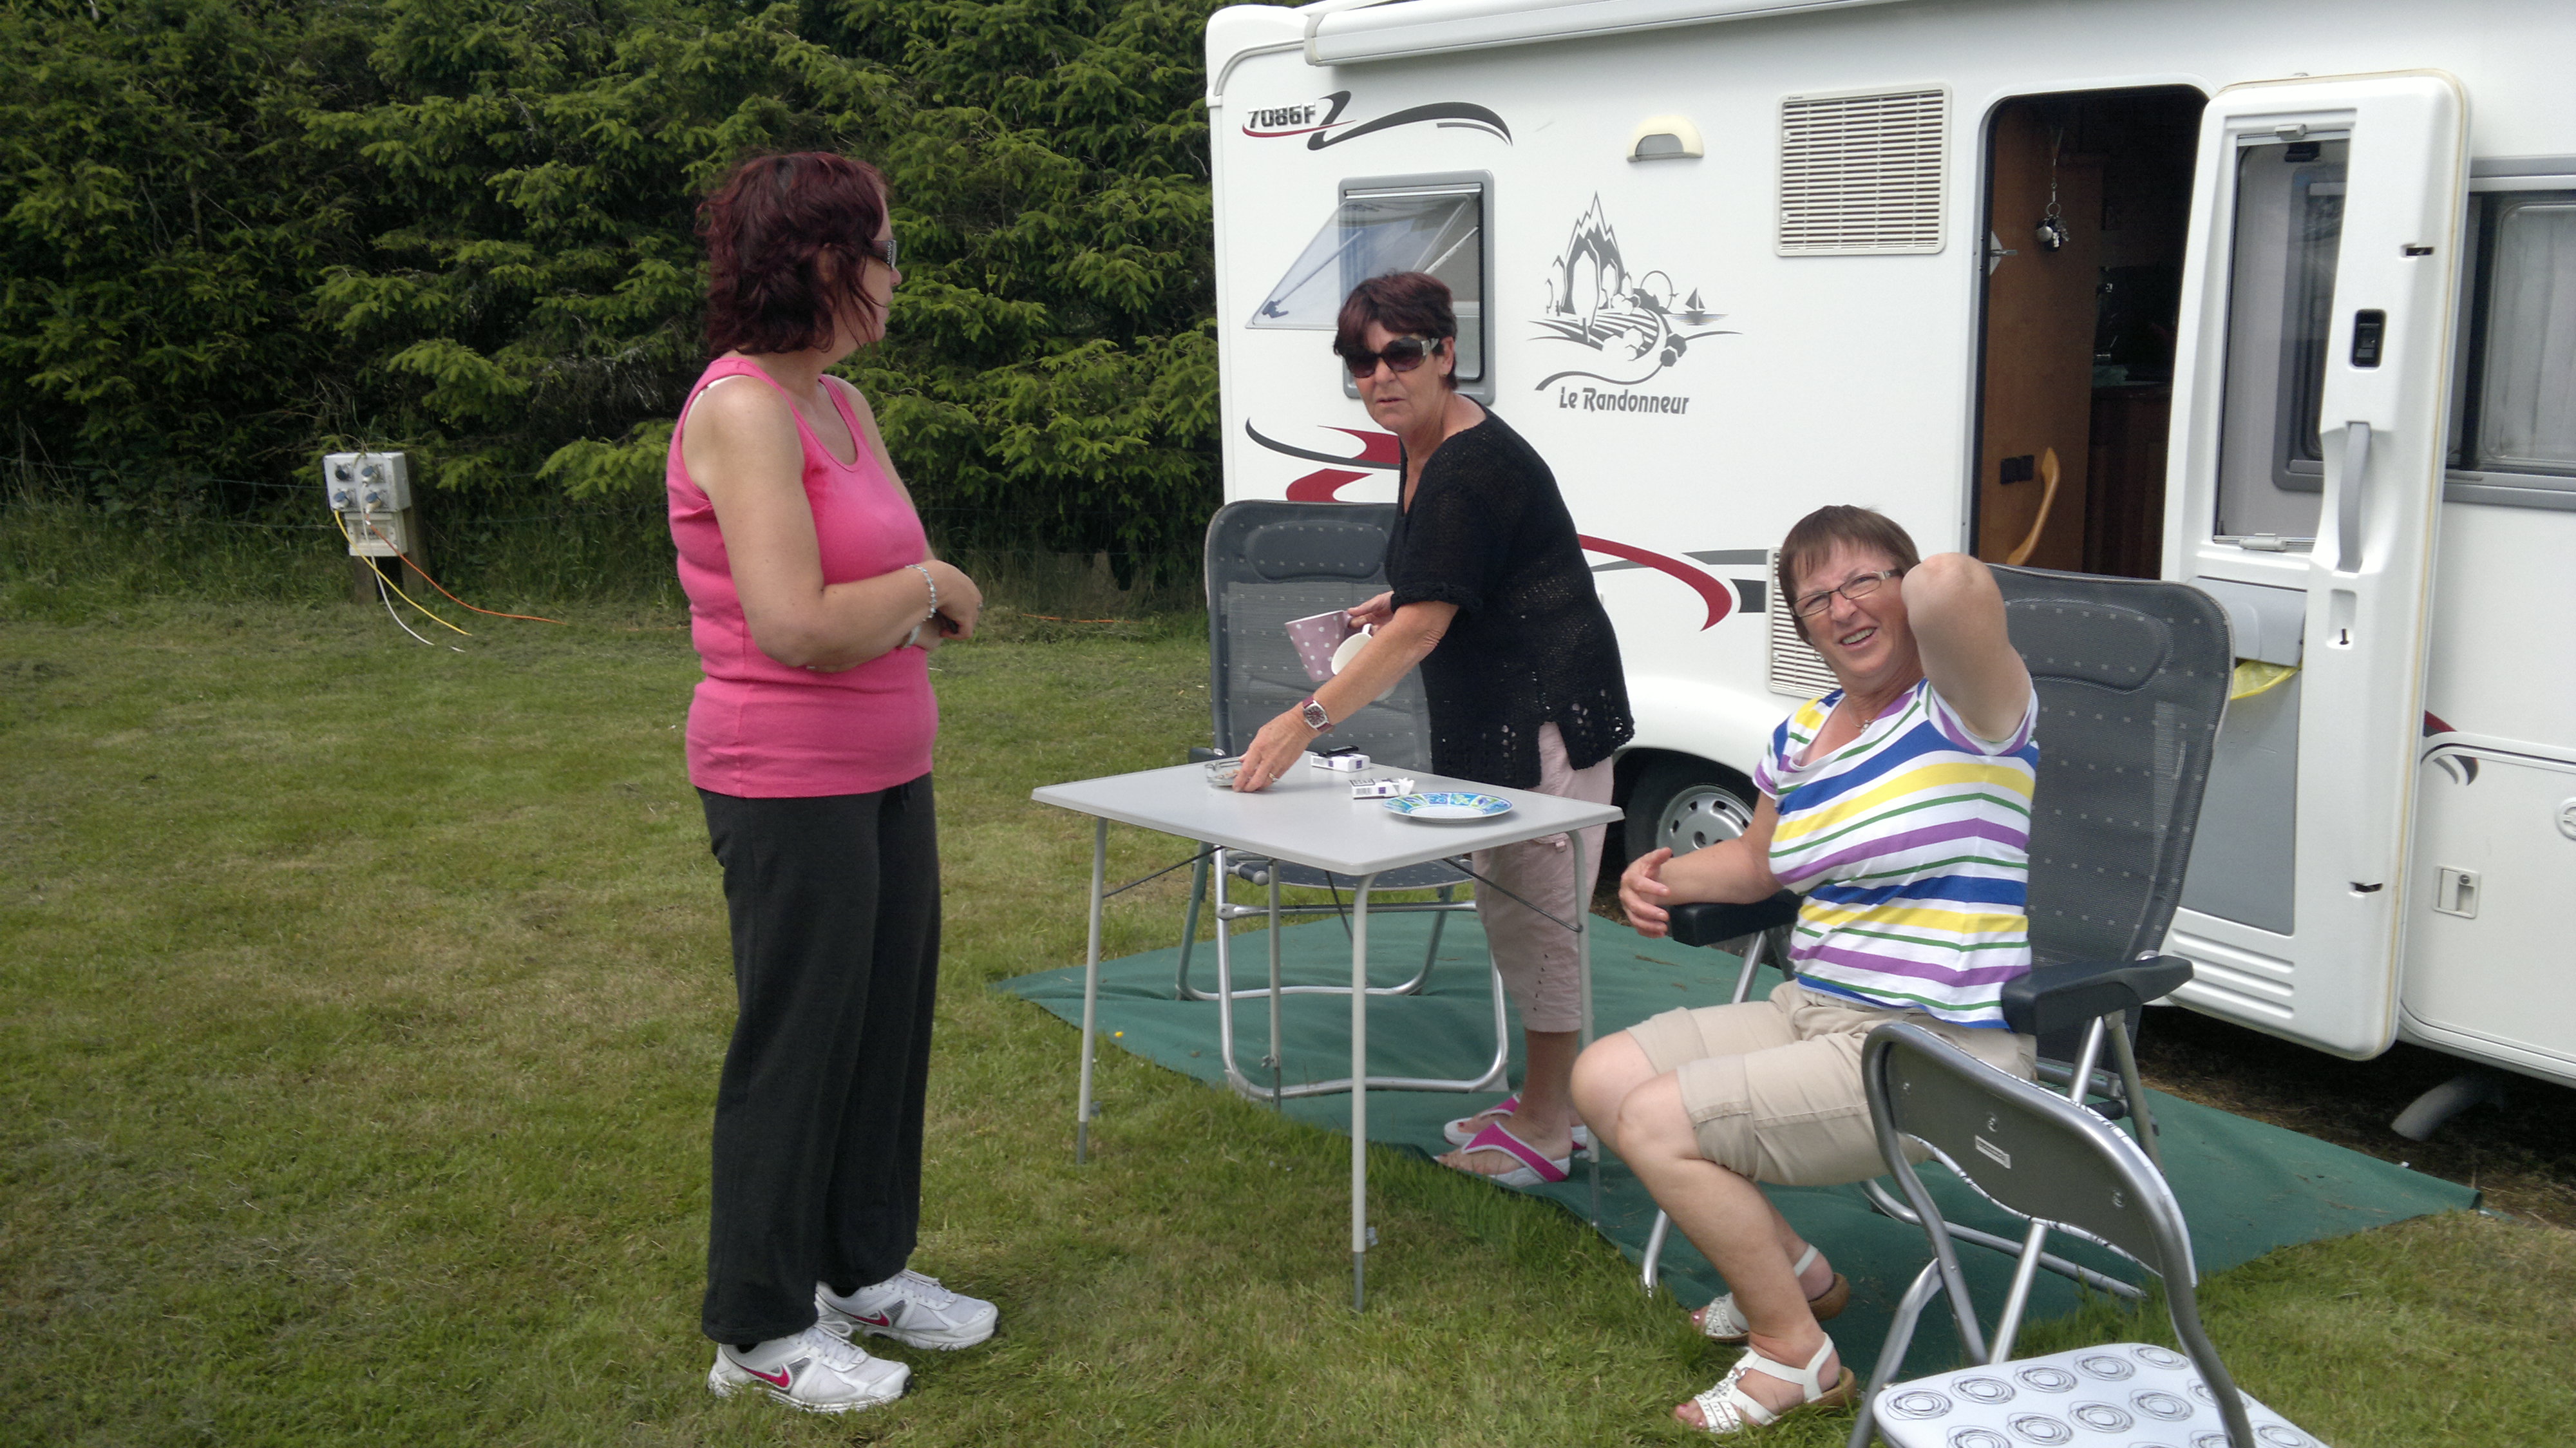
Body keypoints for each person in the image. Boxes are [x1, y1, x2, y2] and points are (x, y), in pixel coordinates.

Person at [1569, 506, 2039, 1436]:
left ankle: (1796, 1356)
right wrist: (1652, 876)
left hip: (1932, 1047)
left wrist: (1910, 581)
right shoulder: (1805, 731)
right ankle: (1799, 1279)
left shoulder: (1972, 711)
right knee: (1603, 1079)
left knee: (1659, 1122)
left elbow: (1955, 587)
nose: (1843, 609)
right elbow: (1758, 865)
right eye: (1816, 599)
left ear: (1908, 589)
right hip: (1815, 1008)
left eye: (1866, 582)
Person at [667, 151, 995, 1415]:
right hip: (784, 775)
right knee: (798, 1045)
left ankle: (862, 1272)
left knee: (883, 1032)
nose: (899, 275)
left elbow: (878, 593)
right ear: (823, 262)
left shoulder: (842, 405)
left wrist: (904, 599)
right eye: (887, 252)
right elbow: (797, 623)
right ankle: (757, 1327)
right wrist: (926, 590)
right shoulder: (741, 408)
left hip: (889, 763)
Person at [1231, 271, 1634, 1188]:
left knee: (1540, 917)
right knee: (1515, 910)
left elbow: (1423, 630)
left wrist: (1304, 720)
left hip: (1546, 716)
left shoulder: (1467, 468)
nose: (1381, 375)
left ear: (1447, 354)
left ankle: (1549, 1128)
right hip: (1505, 714)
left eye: (1402, 354)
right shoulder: (1422, 447)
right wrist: (1406, 594)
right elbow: (1452, 583)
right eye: (1360, 361)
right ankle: (1548, 1103)